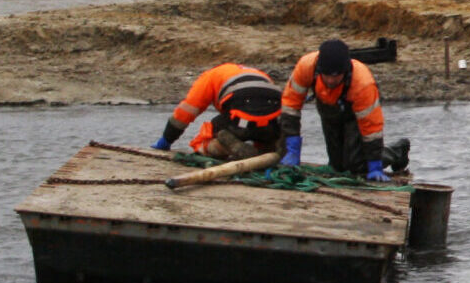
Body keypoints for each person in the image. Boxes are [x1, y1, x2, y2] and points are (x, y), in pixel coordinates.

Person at [279, 39, 398, 180]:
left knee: (355, 165)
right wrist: (292, 147)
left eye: (336, 76)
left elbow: (372, 127)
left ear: (345, 71)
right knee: (337, 167)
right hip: (329, 112)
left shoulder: (362, 84)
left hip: (354, 116)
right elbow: (290, 105)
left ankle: (397, 152)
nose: (330, 80)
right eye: (327, 75)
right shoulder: (306, 67)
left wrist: (375, 165)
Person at [153, 63, 286, 160]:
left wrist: (166, 140)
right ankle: (268, 147)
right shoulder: (258, 73)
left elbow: (186, 112)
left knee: (203, 139)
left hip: (241, 113)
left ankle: (224, 147)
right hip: (274, 118)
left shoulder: (209, 77)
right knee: (262, 126)